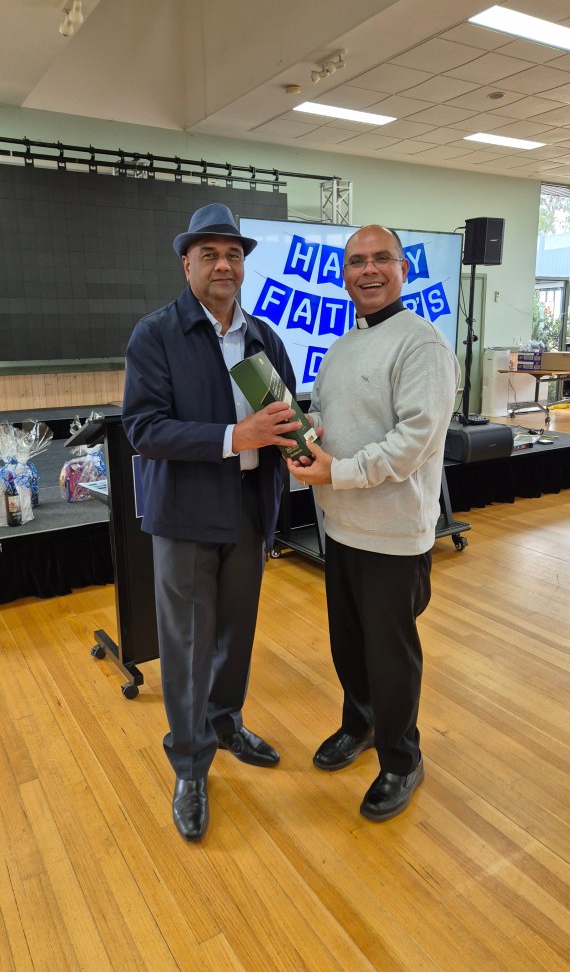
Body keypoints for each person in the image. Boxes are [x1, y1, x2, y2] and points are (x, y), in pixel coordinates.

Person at [122, 203, 299, 843]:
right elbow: (144, 429)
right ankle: (191, 766)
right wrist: (234, 435)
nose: (224, 265)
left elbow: (284, 414)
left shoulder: (264, 338)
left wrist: (299, 440)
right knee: (189, 645)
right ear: (187, 264)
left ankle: (225, 723)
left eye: (233, 255)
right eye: (210, 255)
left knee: (235, 633)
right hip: (187, 513)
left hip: (250, 509)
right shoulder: (156, 334)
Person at [287, 224, 459, 822]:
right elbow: (325, 414)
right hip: (341, 527)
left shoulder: (422, 345)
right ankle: (359, 725)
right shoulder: (340, 348)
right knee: (349, 646)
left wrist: (336, 471)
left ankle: (402, 759)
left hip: (394, 534)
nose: (368, 270)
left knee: (391, 658)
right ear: (344, 275)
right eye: (356, 261)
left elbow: (413, 442)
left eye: (381, 258)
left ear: (403, 269)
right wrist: (305, 433)